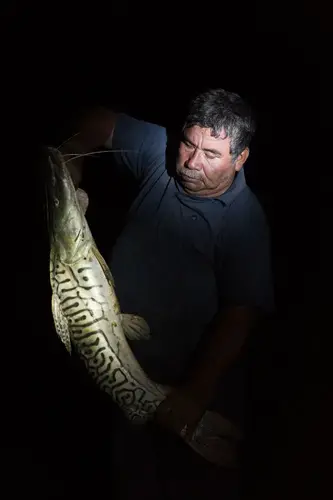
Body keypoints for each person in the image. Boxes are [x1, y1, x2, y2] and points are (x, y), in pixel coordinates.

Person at [60, 88, 274, 499]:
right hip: (122, 360)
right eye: (188, 144)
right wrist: (71, 165)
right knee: (129, 478)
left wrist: (196, 393)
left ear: (240, 158)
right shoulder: (158, 147)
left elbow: (239, 315)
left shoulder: (245, 223)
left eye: (212, 154)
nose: (192, 162)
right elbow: (95, 119)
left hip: (185, 372)